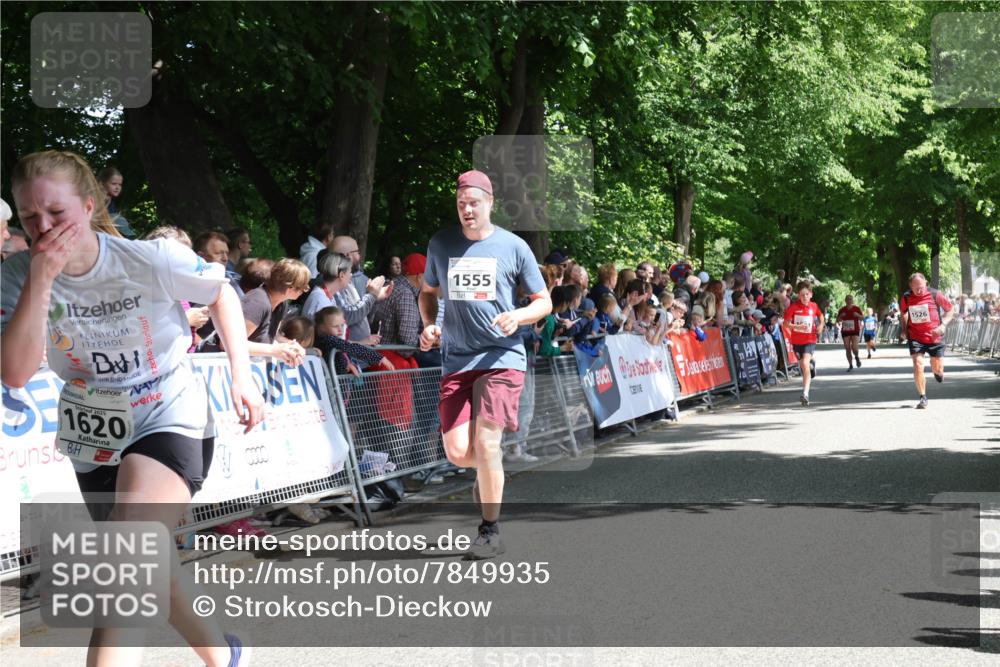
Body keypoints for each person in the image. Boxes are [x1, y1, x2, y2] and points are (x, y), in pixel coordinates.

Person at [1, 150, 261, 667]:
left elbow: (222, 294)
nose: (43, 227)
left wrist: (242, 374)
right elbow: (15, 372)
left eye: (56, 212)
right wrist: (42, 279)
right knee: (143, 559)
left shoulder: (148, 258)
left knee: (129, 546)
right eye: (29, 217)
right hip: (93, 425)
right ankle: (224, 654)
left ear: (89, 204)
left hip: (166, 410)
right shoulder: (17, 274)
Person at [418, 170, 551, 560]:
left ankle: (489, 531)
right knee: (458, 452)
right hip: (457, 359)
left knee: (487, 442)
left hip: (501, 357)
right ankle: (491, 468)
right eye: (461, 204)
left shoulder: (513, 246)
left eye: (474, 203)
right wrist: (430, 326)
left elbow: (543, 301)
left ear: (490, 203)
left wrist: (519, 317)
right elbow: (427, 293)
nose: (467, 210)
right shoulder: (441, 243)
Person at [900, 272, 954, 409]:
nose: (919, 290)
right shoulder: (906, 297)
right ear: (910, 286)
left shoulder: (935, 294)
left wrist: (943, 325)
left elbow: (950, 309)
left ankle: (937, 371)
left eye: (921, 287)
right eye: (916, 288)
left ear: (926, 283)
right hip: (915, 336)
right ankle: (923, 397)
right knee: (918, 364)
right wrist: (904, 330)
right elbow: (904, 313)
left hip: (934, 336)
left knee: (938, 368)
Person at [370, 253, 425, 347]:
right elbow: (408, 339)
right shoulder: (406, 294)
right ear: (419, 277)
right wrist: (431, 341)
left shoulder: (388, 285)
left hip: (378, 350)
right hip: (391, 352)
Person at [782, 280, 824, 406]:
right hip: (796, 341)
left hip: (810, 339)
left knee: (804, 363)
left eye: (807, 294)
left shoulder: (814, 306)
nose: (805, 297)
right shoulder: (793, 307)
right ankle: (811, 365)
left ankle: (805, 394)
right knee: (804, 366)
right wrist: (797, 327)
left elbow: (821, 316)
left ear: (811, 294)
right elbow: (785, 323)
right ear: (798, 295)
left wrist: (821, 325)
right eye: (802, 295)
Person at [837, 295, 864, 371]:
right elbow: (838, 320)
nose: (849, 301)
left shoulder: (857, 308)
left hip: (855, 330)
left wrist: (857, 315)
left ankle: (857, 357)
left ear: (852, 300)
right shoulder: (842, 309)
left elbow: (862, 318)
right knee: (847, 348)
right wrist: (841, 316)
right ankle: (850, 365)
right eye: (848, 299)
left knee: (854, 347)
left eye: (851, 299)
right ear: (845, 300)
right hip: (845, 330)